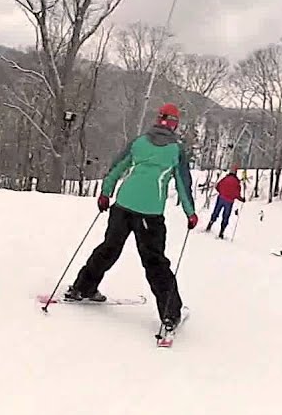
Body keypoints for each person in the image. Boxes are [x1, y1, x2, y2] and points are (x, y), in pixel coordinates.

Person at [64, 102, 198, 333]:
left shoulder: (139, 142)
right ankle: (170, 314)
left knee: (109, 248)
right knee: (155, 262)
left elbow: (117, 167)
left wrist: (106, 193)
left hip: (122, 207)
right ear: (175, 125)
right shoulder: (176, 150)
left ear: (158, 120)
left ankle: (82, 288)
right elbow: (183, 185)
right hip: (150, 214)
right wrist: (190, 213)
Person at [206, 166, 245, 239]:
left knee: (216, 212)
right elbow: (237, 194)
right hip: (229, 202)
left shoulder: (225, 179)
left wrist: (221, 192)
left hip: (221, 198)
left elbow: (218, 186)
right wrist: (242, 199)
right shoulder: (237, 183)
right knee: (226, 216)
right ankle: (221, 231)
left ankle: (210, 224)